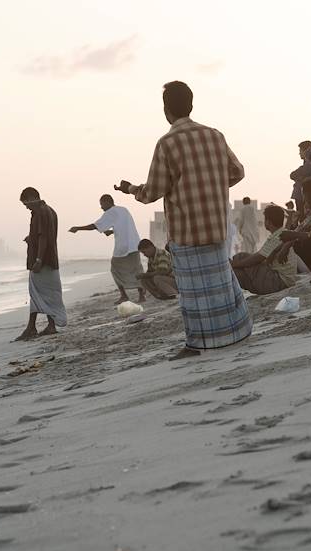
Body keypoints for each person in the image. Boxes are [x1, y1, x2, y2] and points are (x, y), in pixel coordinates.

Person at [113, 80, 252, 360]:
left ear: (166, 111)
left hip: (187, 231)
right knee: (222, 284)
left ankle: (196, 345)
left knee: (192, 294)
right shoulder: (215, 135)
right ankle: (235, 334)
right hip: (216, 226)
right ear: (191, 105)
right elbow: (236, 172)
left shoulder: (167, 143)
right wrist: (211, 185)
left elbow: (152, 191)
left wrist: (130, 189)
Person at [70, 194, 145, 304]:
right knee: (136, 269)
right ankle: (141, 295)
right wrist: (113, 231)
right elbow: (125, 226)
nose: (101, 207)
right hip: (134, 244)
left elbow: (95, 226)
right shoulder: (124, 210)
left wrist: (78, 228)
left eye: (102, 204)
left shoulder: (110, 212)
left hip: (123, 247)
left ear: (107, 202)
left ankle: (124, 295)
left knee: (114, 269)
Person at [16, 187, 67, 341]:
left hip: (42, 262)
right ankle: (47, 326)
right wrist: (31, 238)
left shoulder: (40, 212)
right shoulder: (50, 211)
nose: (26, 207)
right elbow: (43, 235)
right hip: (50, 259)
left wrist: (38, 259)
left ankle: (31, 328)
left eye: (26, 203)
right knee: (46, 294)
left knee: (36, 293)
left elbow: (43, 237)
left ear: (32, 198)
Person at [230, 205, 298, 295]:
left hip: (278, 282)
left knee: (240, 258)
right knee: (237, 273)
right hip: (278, 281)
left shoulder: (278, 236)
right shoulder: (281, 233)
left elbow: (259, 257)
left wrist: (235, 264)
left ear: (268, 222)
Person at [290, 140, 311, 210]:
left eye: (300, 151)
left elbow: (294, 174)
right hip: (301, 194)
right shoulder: (307, 164)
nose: (299, 153)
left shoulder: (310, 164)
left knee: (302, 216)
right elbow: (292, 175)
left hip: (303, 195)